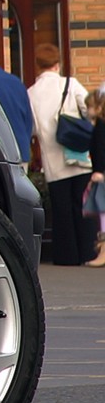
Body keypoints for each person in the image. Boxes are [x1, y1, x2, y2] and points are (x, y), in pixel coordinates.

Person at [29, 41, 97, 266]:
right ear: (57, 63)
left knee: (62, 211)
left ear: (38, 65)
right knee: (83, 207)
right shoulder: (71, 83)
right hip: (80, 156)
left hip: (54, 162)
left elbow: (32, 129)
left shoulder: (32, 93)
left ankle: (66, 256)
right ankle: (88, 253)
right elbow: (90, 109)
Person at [87, 87, 105, 269]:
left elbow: (99, 149)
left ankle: (104, 251)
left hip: (102, 175)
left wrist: (99, 171)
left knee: (103, 212)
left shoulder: (101, 125)